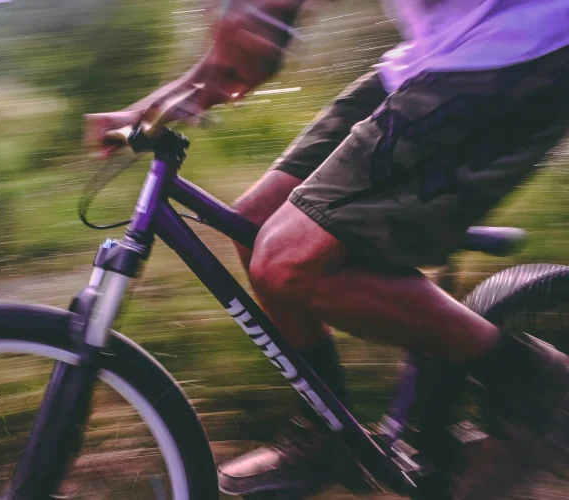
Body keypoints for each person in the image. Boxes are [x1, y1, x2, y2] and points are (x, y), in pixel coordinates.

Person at [86, 0, 569, 496]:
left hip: (524, 46)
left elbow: (257, 34)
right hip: (434, 54)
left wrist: (246, 29)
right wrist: (150, 109)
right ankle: (328, 431)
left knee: (287, 262)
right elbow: (254, 44)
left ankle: (537, 382)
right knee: (254, 224)